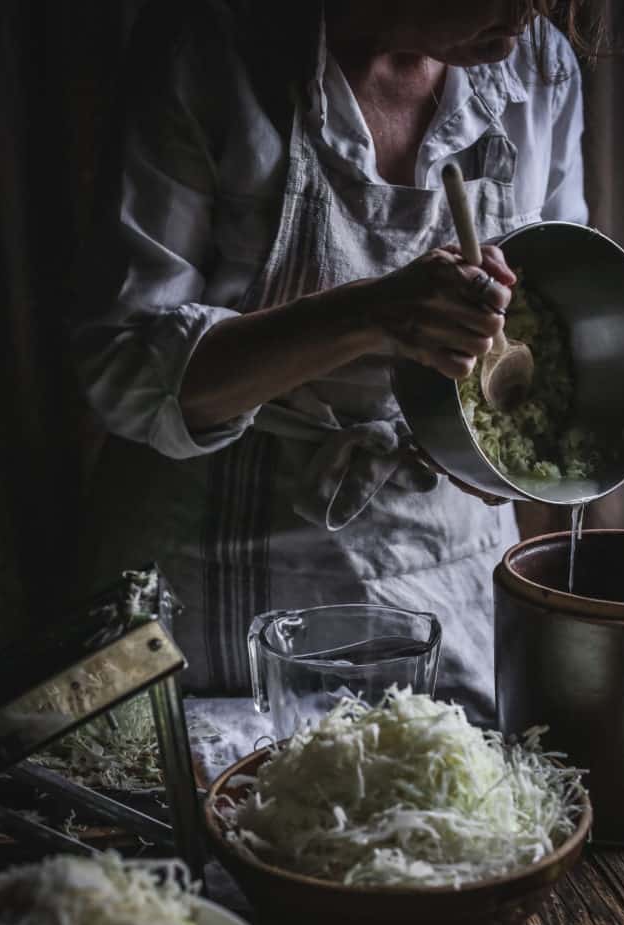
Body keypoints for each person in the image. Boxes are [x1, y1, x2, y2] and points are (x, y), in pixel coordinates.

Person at [72, 0, 597, 724]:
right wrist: (366, 315)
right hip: (208, 582)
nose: (528, 13)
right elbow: (123, 368)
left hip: (447, 574)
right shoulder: (212, 50)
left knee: (445, 798)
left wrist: (494, 449)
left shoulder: (538, 61)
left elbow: (557, 298)